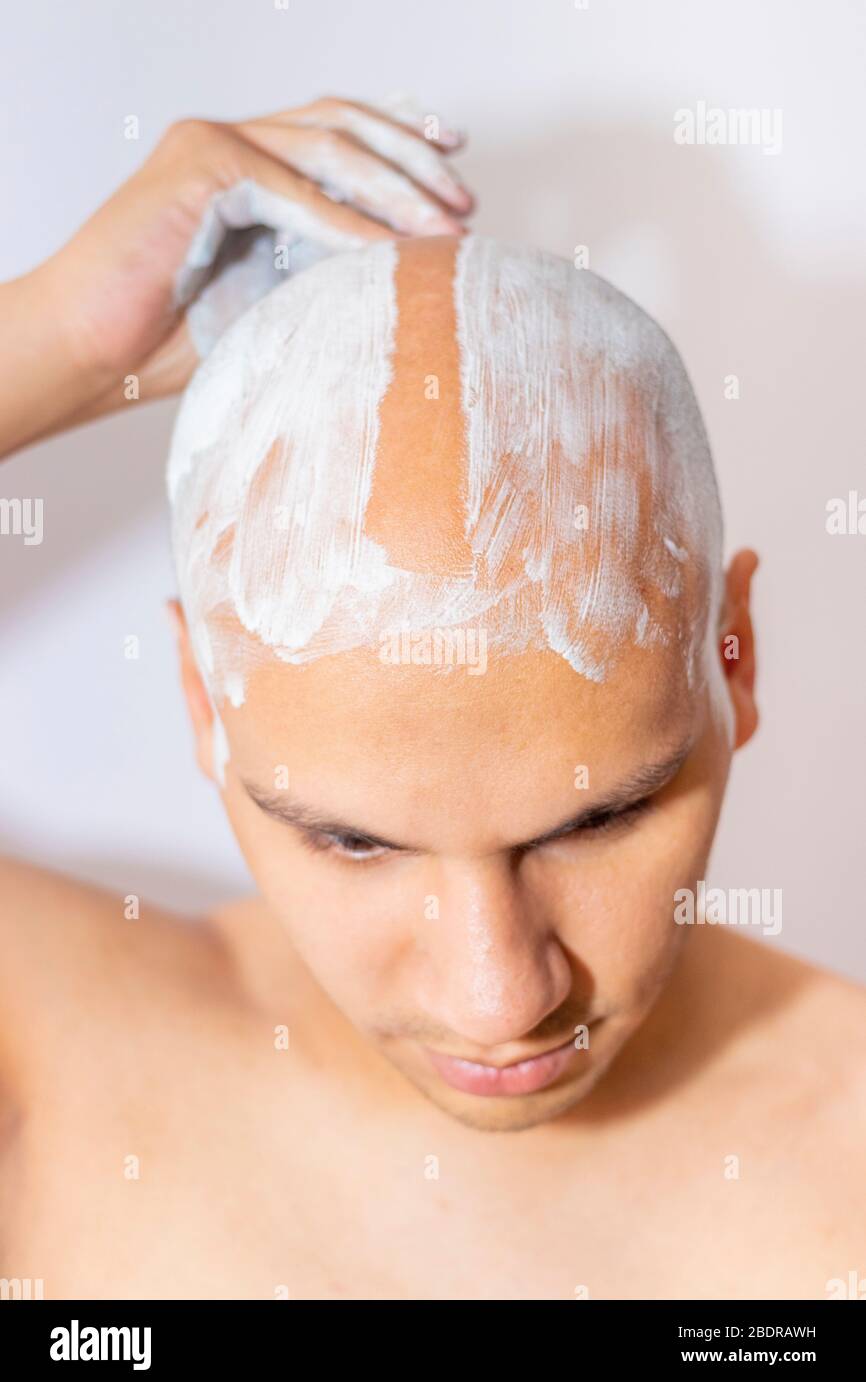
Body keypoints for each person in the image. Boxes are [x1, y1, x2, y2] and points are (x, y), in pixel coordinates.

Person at [0, 98, 863, 1303]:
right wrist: (61, 339)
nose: (499, 998)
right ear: (202, 702)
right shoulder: (63, 1049)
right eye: (350, 841)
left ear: (734, 658)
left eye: (592, 820)